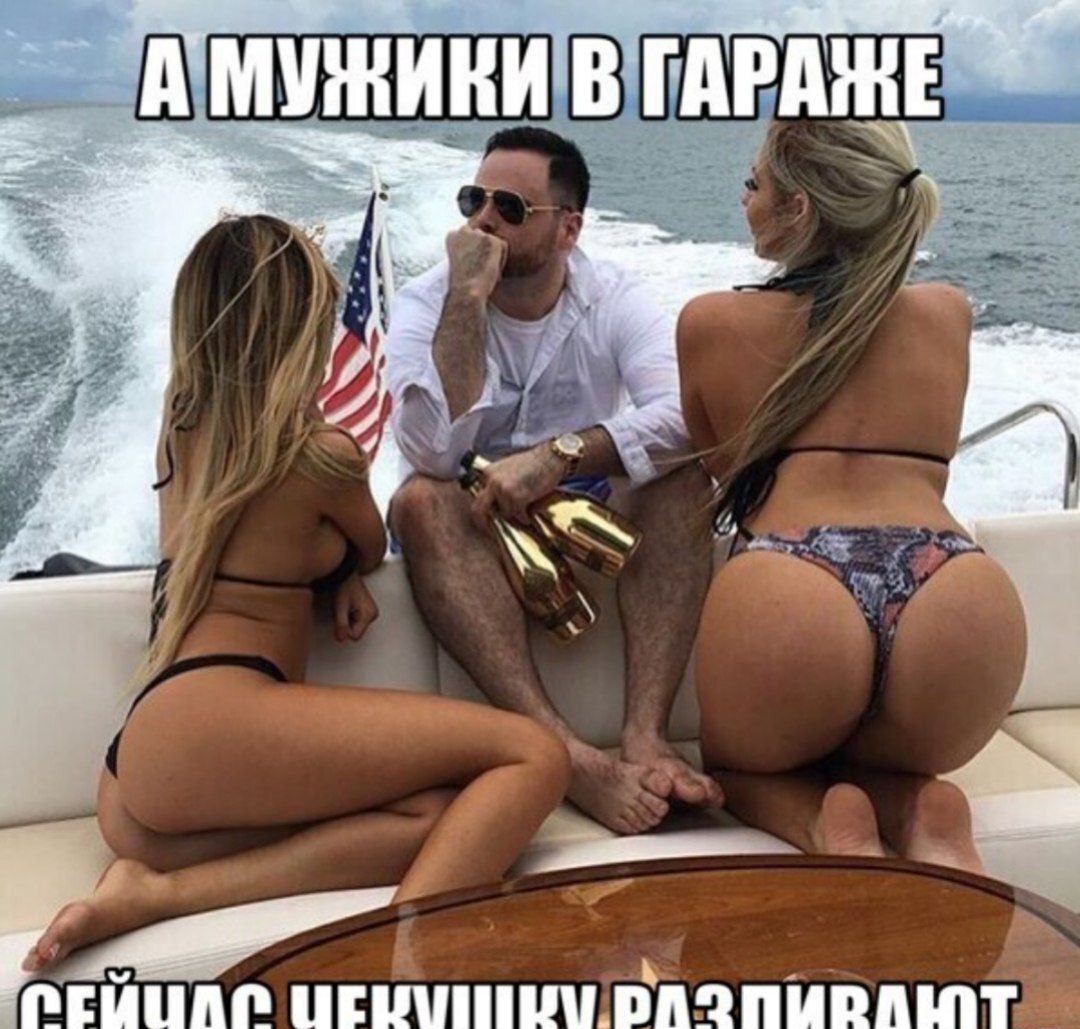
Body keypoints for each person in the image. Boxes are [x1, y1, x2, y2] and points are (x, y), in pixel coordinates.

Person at [22, 214, 570, 973]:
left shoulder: (180, 423)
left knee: (438, 820)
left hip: (140, 766)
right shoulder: (324, 457)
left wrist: (324, 570)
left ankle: (156, 890)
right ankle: (397, 966)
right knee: (534, 756)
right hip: (222, 718)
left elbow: (248, 530)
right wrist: (342, 573)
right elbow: (371, 543)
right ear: (302, 331)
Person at [678, 119, 1027, 872]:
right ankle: (915, 805)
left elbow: (728, 472)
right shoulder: (947, 314)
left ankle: (820, 822)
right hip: (955, 590)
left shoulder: (711, 322)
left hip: (793, 585)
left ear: (798, 208)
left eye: (755, 183)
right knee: (888, 756)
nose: (744, 199)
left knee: (739, 770)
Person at [385, 126, 721, 836]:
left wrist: (560, 455)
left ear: (568, 229)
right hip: (472, 514)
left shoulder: (615, 298)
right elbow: (432, 453)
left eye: (509, 207)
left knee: (685, 482)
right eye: (473, 200)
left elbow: (687, 419)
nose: (483, 221)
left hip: (579, 502)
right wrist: (466, 300)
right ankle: (564, 754)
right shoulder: (428, 300)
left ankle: (644, 734)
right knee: (418, 502)